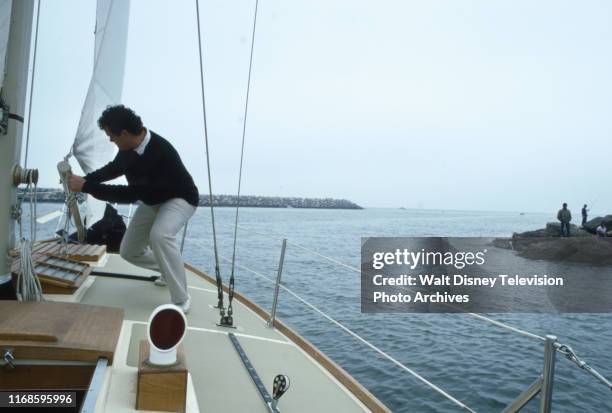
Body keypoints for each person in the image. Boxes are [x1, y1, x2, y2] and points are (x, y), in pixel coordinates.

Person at [68, 105, 199, 314]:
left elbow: (129, 194)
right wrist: (85, 179)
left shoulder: (160, 152)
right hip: (152, 199)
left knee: (160, 235)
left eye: (111, 136)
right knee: (128, 251)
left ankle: (181, 298)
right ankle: (168, 271)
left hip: (180, 198)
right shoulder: (127, 148)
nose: (111, 140)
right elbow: (113, 169)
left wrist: (86, 187)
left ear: (125, 134)